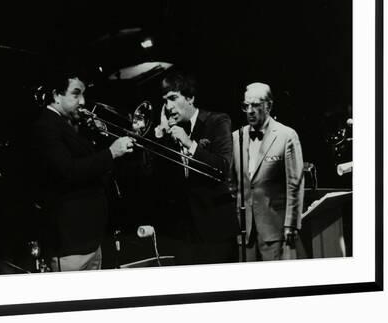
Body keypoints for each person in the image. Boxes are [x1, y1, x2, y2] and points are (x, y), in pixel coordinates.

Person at [31, 72, 135, 271]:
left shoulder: (69, 124)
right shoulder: (46, 125)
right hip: (69, 242)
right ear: (56, 95)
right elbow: (68, 170)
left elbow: (92, 165)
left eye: (83, 95)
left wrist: (100, 135)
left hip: (90, 238)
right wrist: (111, 152)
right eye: (76, 94)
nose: (83, 101)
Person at [152, 72, 239, 265]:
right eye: (165, 101)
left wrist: (189, 144)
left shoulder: (217, 121)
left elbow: (222, 167)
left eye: (173, 98)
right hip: (185, 236)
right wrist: (160, 136)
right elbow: (157, 180)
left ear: (190, 98)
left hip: (217, 233)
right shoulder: (170, 132)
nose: (168, 107)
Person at [232, 82, 305, 261]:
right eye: (246, 105)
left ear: (269, 105)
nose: (250, 110)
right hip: (245, 231)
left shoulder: (286, 135)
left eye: (255, 105)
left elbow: (294, 184)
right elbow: (232, 183)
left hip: (275, 229)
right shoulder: (236, 137)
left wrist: (292, 224)